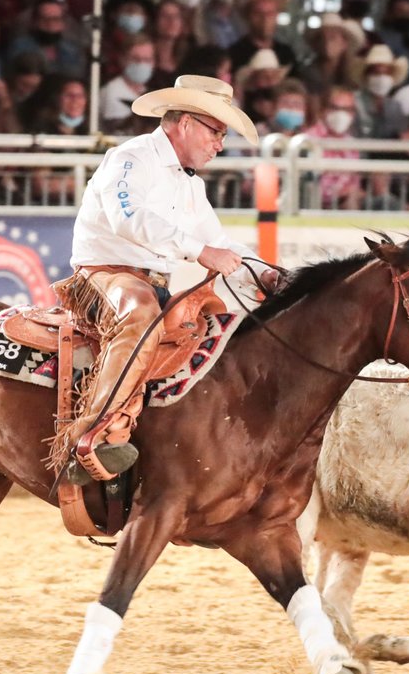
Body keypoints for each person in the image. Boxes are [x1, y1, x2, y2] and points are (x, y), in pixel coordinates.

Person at [52, 75, 276, 485]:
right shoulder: (130, 159)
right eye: (216, 132)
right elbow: (128, 218)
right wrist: (202, 252)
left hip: (151, 282)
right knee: (140, 317)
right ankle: (92, 435)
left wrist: (261, 270)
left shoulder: (189, 184)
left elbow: (220, 240)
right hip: (104, 275)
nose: (219, 145)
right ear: (186, 123)